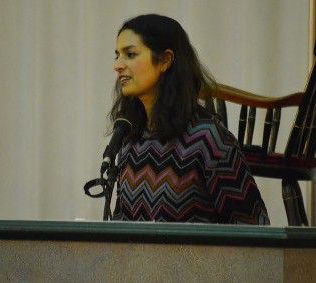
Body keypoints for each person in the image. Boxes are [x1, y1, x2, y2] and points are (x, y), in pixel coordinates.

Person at [110, 14, 270, 224]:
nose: (118, 65)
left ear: (165, 60)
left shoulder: (209, 140)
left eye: (130, 54)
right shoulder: (129, 139)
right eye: (117, 55)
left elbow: (255, 231)